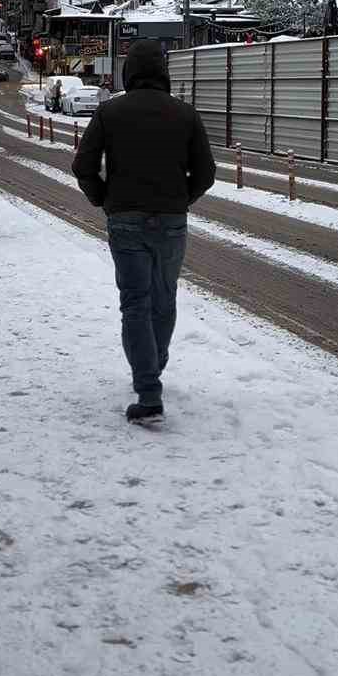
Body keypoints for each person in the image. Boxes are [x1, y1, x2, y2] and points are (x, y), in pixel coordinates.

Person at [72, 38, 215, 425]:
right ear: (164, 72)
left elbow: (83, 166)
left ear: (129, 71)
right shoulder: (186, 115)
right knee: (164, 298)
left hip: (125, 219)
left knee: (135, 302)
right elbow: (207, 173)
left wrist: (103, 198)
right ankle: (154, 364)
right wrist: (180, 199)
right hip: (171, 220)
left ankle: (148, 389)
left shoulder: (109, 113)